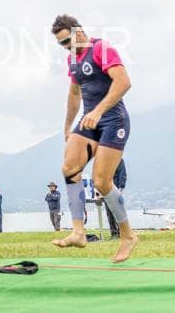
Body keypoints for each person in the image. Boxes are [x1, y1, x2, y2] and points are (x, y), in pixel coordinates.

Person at [51, 14, 138, 262]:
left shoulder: (101, 48)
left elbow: (124, 82)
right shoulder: (72, 59)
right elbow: (74, 93)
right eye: (61, 44)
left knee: (101, 182)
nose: (65, 47)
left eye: (67, 41)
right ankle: (78, 232)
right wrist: (68, 126)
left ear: (78, 31)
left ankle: (128, 236)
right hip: (89, 120)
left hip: (113, 120)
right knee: (69, 168)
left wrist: (99, 111)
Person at [106, 160, 127, 239]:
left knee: (118, 212)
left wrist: (120, 188)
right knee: (109, 212)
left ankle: (123, 232)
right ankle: (114, 233)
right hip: (106, 190)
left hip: (115, 189)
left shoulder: (119, 160)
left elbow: (122, 174)